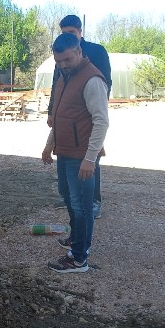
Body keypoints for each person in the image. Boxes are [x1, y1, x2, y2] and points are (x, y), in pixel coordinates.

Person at [42, 33, 109, 273]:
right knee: (69, 198)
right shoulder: (64, 77)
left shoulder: (92, 80)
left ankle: (79, 258)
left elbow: (101, 121)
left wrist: (90, 158)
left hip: (81, 156)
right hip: (65, 151)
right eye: (58, 61)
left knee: (82, 206)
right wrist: (49, 144)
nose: (63, 65)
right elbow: (61, 116)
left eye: (67, 59)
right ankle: (76, 239)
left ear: (79, 52)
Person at [48, 15, 111, 219]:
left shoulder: (96, 52)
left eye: (71, 32)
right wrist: (53, 113)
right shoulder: (62, 58)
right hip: (67, 127)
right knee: (68, 188)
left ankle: (93, 201)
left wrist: (94, 109)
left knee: (89, 167)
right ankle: (77, 208)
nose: (63, 64)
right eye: (64, 32)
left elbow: (104, 84)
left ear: (80, 32)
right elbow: (56, 87)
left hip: (87, 118)